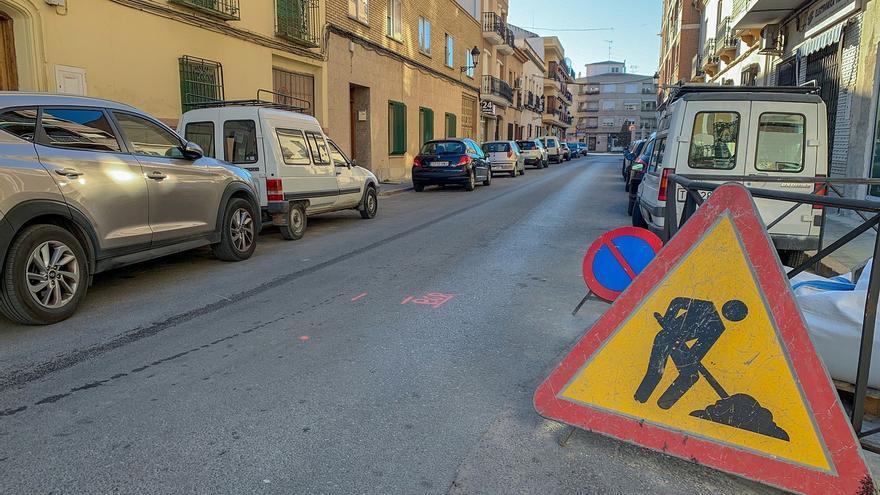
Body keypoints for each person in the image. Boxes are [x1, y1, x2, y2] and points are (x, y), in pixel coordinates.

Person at [634, 298, 748, 409]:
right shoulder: (706, 306)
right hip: (665, 338)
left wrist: (690, 356)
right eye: (732, 310)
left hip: (680, 347)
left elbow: (698, 351)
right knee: (656, 371)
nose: (731, 313)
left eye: (735, 314)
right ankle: (640, 399)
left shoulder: (718, 327)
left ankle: (663, 404)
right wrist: (669, 321)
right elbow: (677, 302)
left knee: (691, 375)